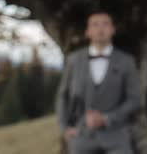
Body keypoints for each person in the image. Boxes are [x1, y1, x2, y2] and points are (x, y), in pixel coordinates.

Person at [56, 11, 141, 154]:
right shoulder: (74, 60)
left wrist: (106, 119)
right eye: (95, 25)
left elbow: (135, 99)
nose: (100, 29)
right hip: (81, 138)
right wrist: (64, 128)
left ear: (113, 29)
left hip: (117, 138)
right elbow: (63, 96)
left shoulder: (126, 61)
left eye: (105, 24)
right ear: (87, 31)